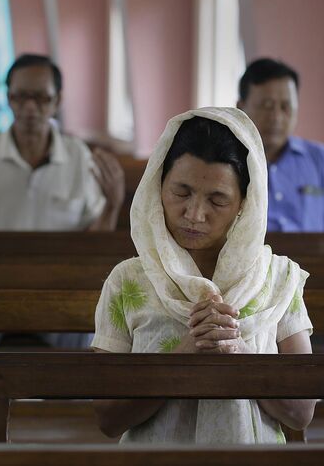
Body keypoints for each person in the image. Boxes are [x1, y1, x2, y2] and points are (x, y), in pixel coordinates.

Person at [92, 107, 314, 443]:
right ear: (158, 185)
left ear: (244, 204)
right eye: (181, 193)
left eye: (218, 200)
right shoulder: (128, 281)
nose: (195, 214)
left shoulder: (278, 280)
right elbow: (107, 418)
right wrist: (181, 360)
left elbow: (300, 414)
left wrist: (237, 354)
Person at [0, 54, 125, 349]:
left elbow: (93, 244)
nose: (30, 108)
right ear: (8, 99)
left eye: (41, 98)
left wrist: (112, 205)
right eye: (20, 98)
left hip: (61, 294)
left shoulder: (78, 158)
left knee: (91, 336)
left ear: (57, 101)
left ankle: (76, 397)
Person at [237, 58, 324, 232]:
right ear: (241, 107)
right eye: (267, 106)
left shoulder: (319, 159)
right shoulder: (225, 161)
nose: (276, 117)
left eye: (285, 107)